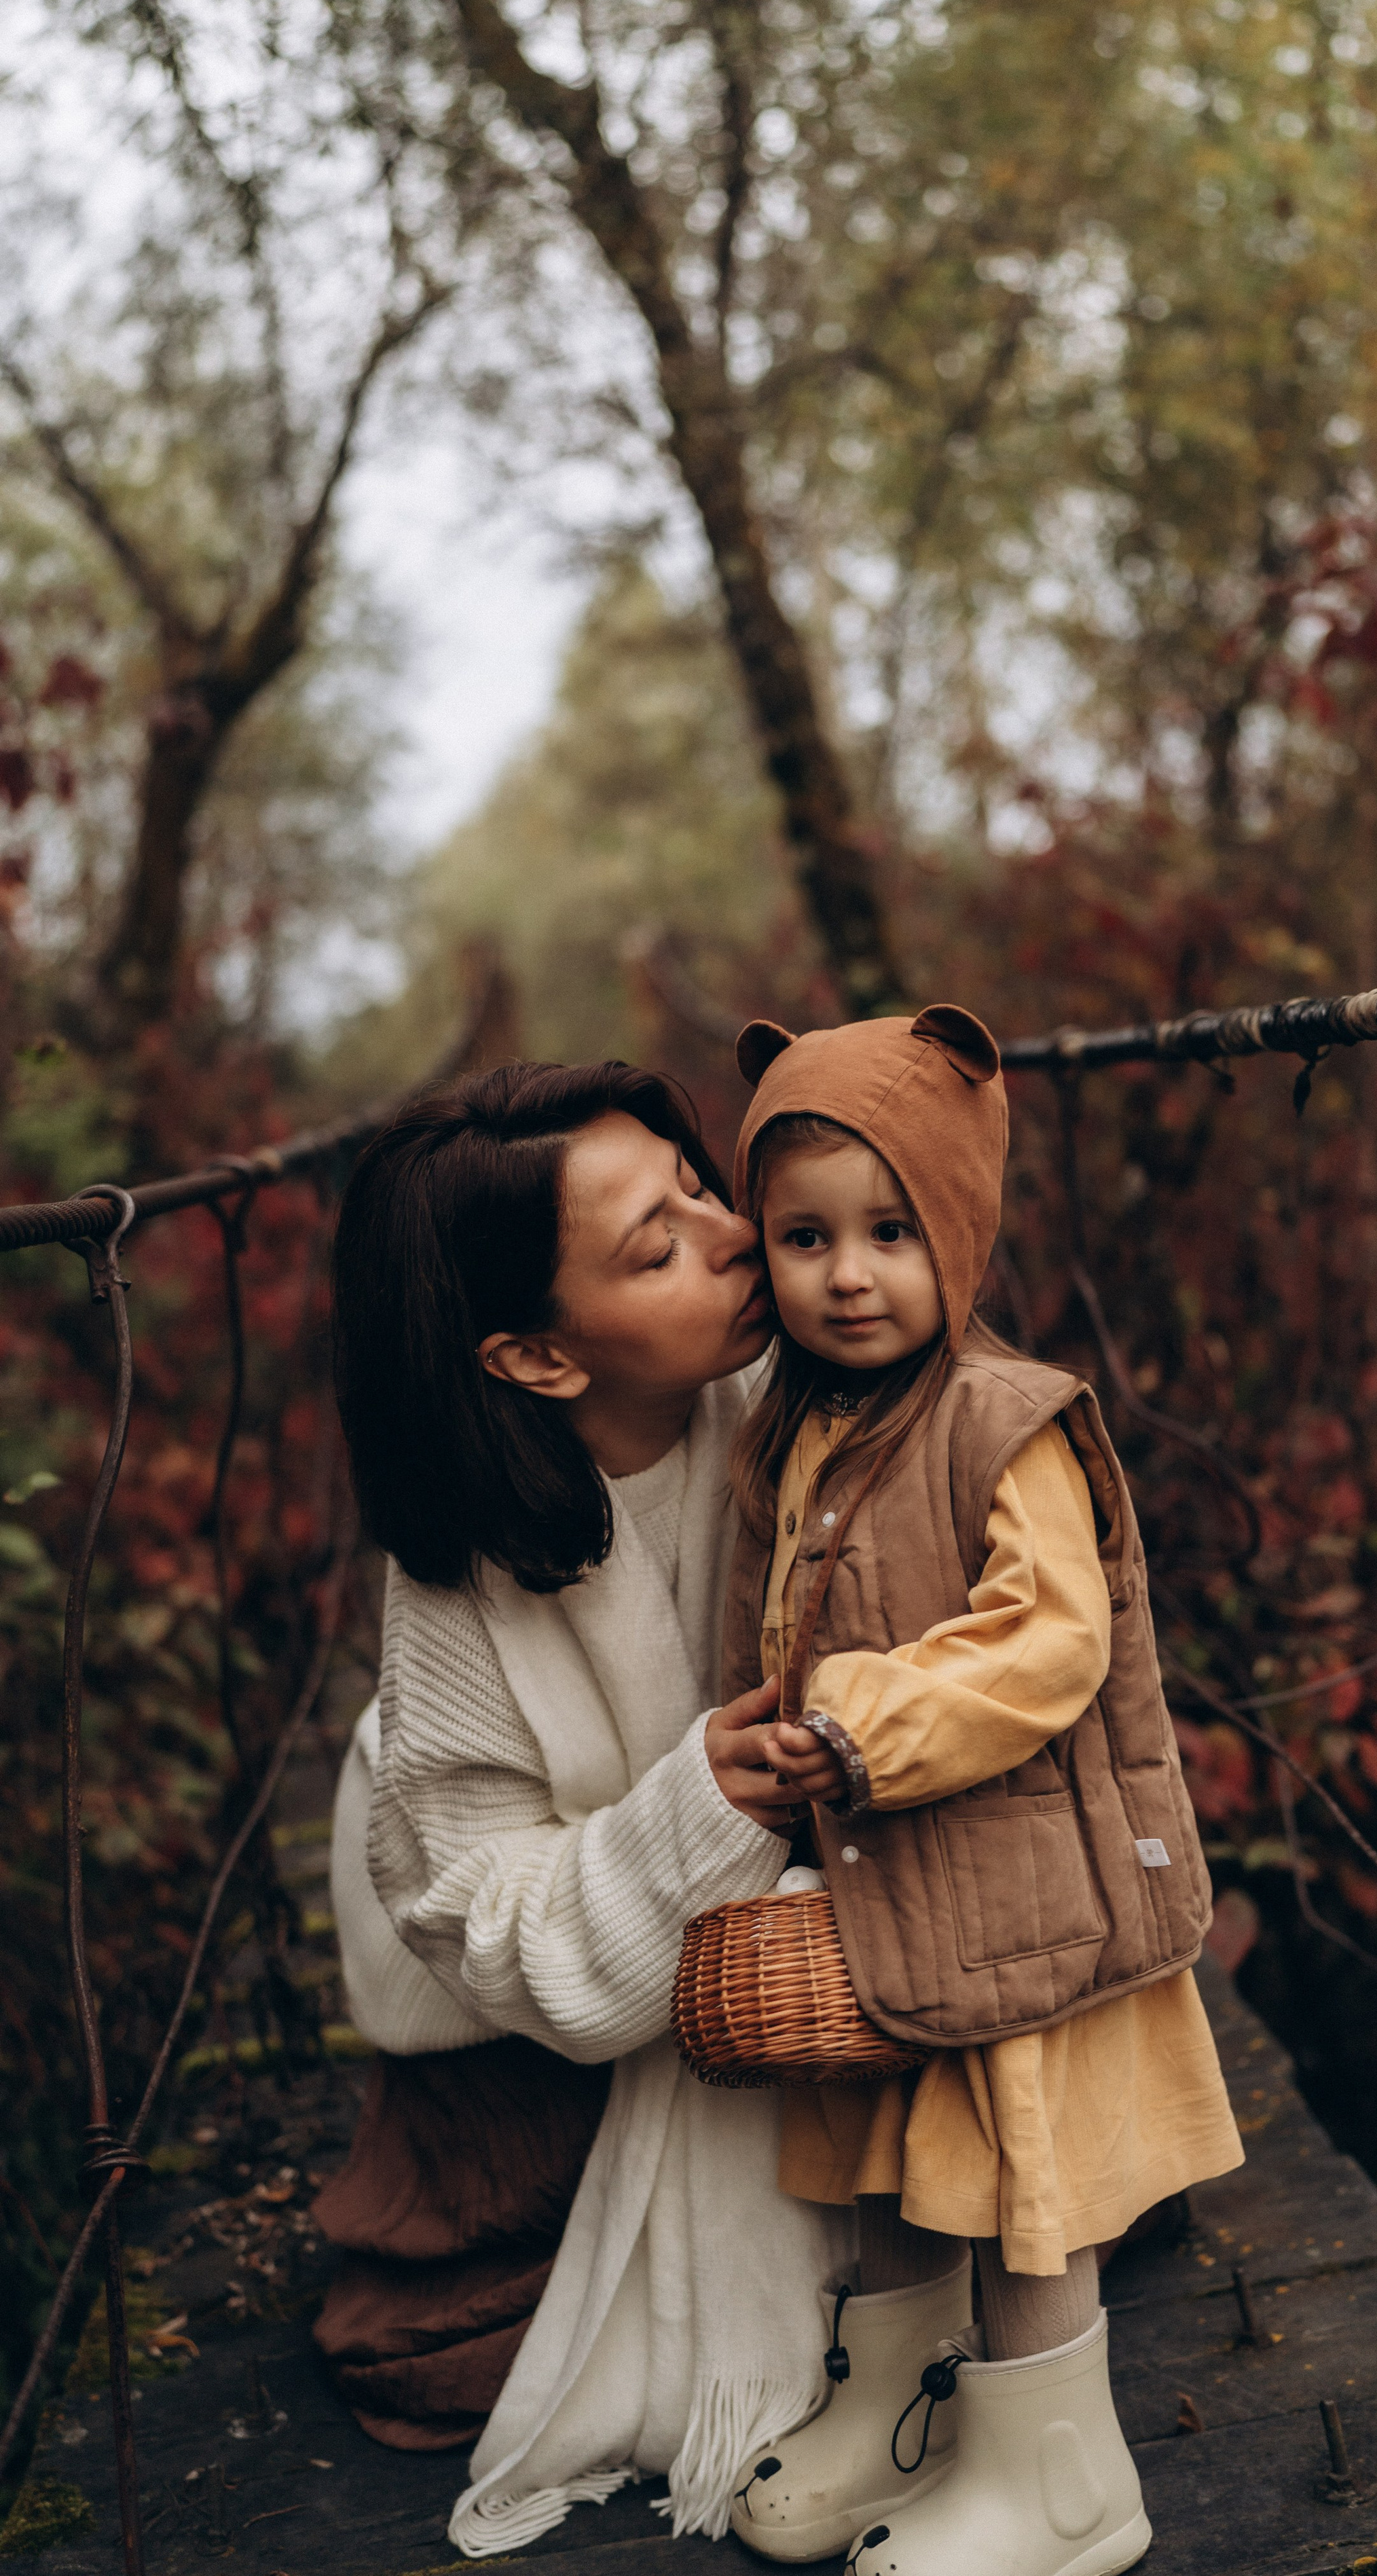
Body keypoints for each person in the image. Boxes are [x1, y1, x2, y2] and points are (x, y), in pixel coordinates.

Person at [718, 1004, 1244, 2576]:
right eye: (803, 1236)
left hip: (1020, 1894)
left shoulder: (1002, 1419)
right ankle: (904, 2413)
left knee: (1028, 2186)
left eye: (890, 1230)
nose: (847, 1272)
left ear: (957, 1227)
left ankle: (1060, 2482)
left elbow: (1047, 1642)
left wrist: (863, 1720)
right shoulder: (803, 1426)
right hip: (891, 1896)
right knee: (887, 2162)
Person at [315, 1060, 849, 2555]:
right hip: (532, 2025)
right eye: (657, 1245)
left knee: (1049, 2174)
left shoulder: (805, 1386)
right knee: (439, 2350)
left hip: (804, 1948)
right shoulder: (453, 1583)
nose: (735, 1233)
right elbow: (477, 1915)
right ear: (538, 1359)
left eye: (695, 1181)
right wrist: (700, 1811)